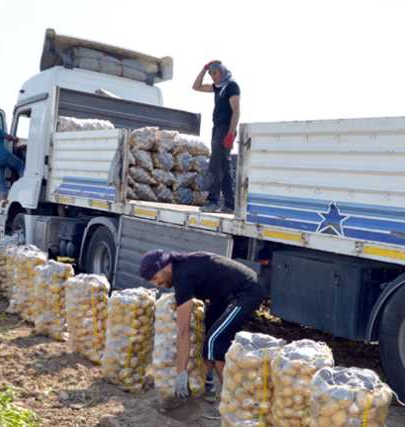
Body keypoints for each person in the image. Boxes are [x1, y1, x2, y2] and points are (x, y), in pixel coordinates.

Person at [139, 250, 263, 401]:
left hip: (246, 292)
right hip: (223, 298)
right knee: (206, 332)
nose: (156, 284)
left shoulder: (183, 276)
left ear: (166, 266)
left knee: (214, 341)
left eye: (154, 277)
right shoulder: (182, 269)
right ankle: (206, 383)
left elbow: (183, 331)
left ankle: (234, 399)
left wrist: (180, 374)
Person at [192, 60, 240, 213]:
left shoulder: (231, 86)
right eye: (211, 74)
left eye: (215, 72)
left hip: (225, 129)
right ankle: (229, 204)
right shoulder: (217, 87)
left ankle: (213, 201)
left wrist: (231, 133)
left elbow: (236, 111)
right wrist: (203, 68)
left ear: (222, 71)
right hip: (217, 128)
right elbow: (196, 87)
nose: (213, 76)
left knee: (215, 165)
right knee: (224, 167)